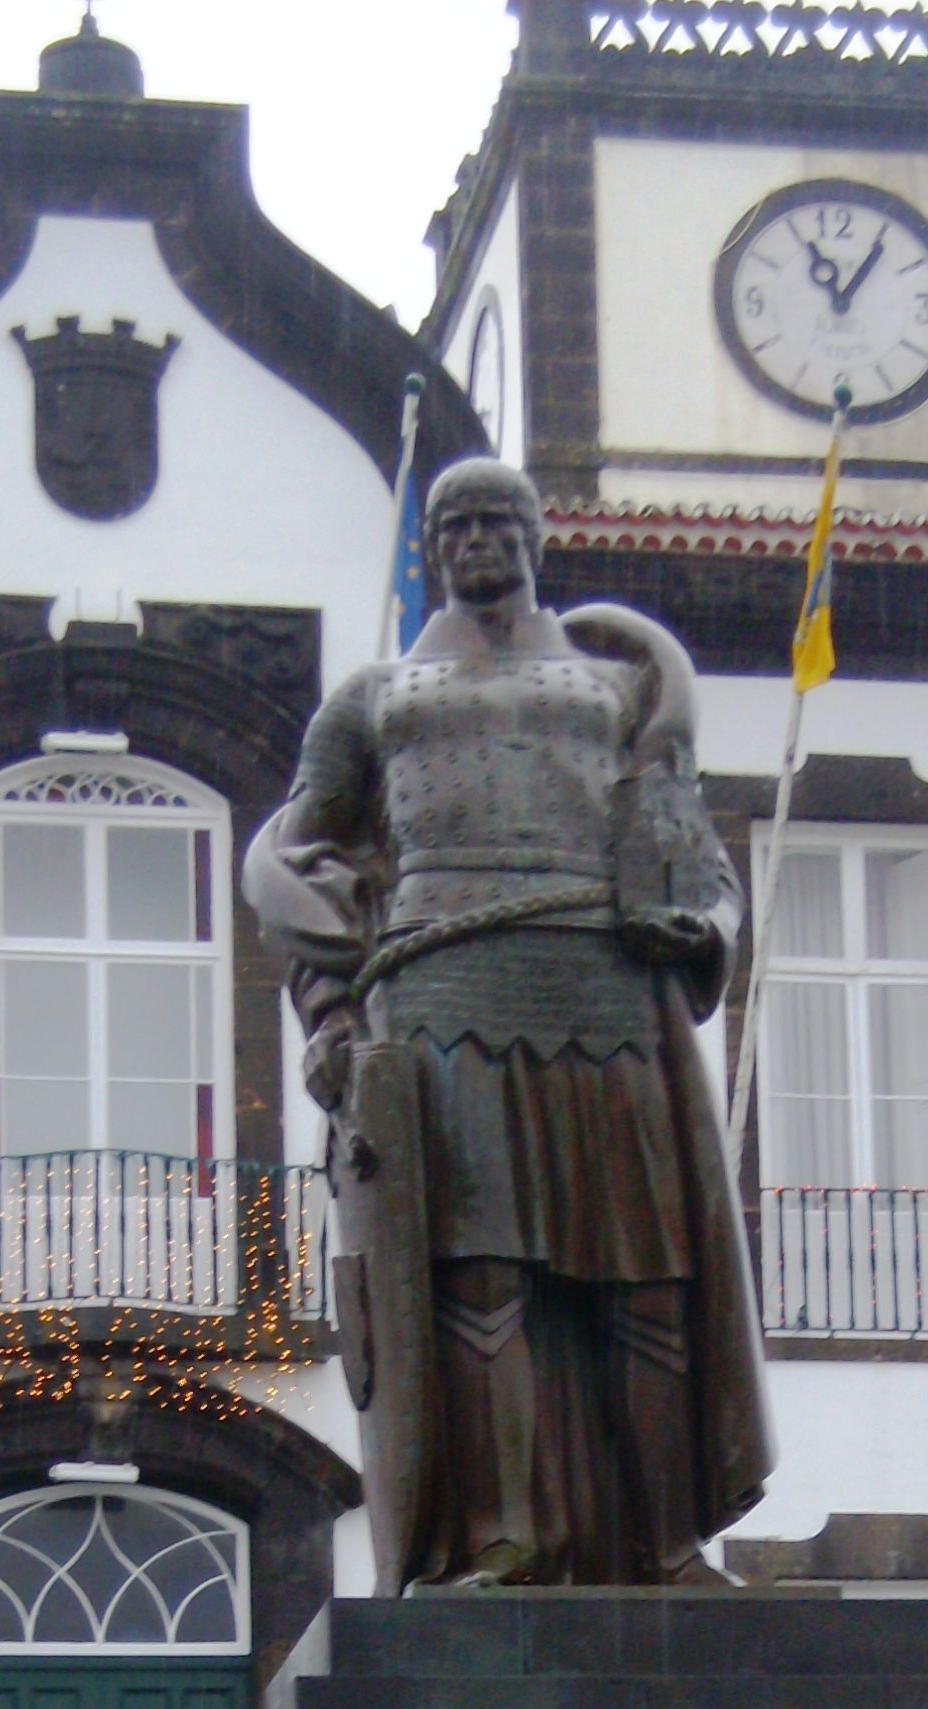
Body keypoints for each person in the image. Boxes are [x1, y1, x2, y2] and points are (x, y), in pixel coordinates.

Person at [243, 458, 772, 1589]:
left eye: (498, 520)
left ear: (535, 538)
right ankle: (502, 1532)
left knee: (646, 1281)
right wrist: (330, 1013)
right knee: (483, 1283)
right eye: (456, 524)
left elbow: (695, 858)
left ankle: (666, 1543)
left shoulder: (616, 689)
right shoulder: (373, 699)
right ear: (433, 547)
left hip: (606, 999)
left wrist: (701, 928)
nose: (477, 540)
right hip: (441, 999)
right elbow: (301, 863)